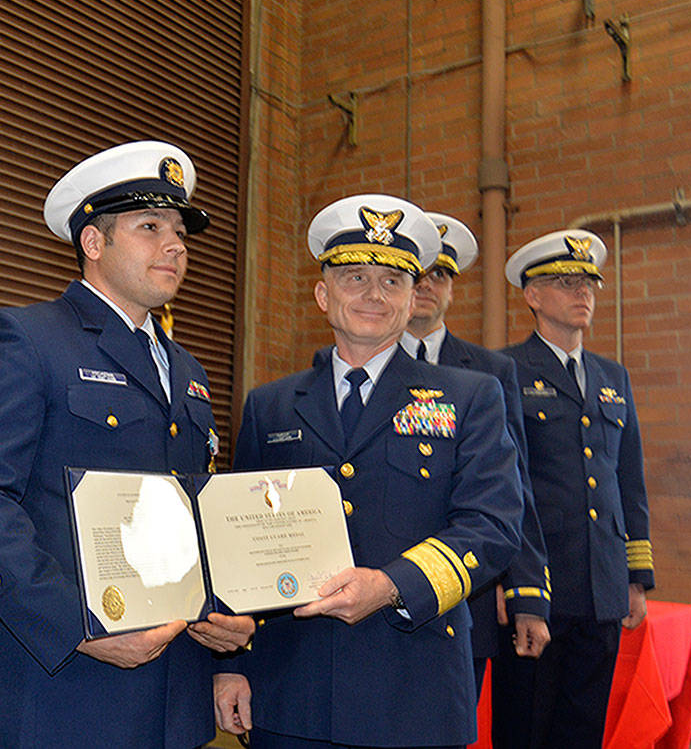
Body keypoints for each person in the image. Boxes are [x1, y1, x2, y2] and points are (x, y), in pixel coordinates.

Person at [0, 141, 255, 749]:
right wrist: (78, 625)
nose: (176, 244)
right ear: (93, 242)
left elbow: (194, 514)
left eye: (181, 230)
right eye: (150, 226)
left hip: (175, 700)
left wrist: (227, 628)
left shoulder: (187, 369)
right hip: (70, 693)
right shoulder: (27, 339)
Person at [214, 194, 523, 749]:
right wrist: (232, 663)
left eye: (393, 280)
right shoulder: (272, 406)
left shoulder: (471, 396)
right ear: (322, 294)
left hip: (413, 691)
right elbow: (237, 545)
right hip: (291, 692)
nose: (374, 294)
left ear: (411, 298)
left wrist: (388, 586)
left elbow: (493, 527)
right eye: (355, 277)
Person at [493, 229, 654, 749]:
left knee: (583, 731)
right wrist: (509, 583)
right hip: (539, 584)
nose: (583, 292)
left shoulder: (614, 377)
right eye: (566, 282)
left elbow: (628, 480)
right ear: (532, 296)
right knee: (526, 727)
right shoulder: (505, 371)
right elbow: (500, 488)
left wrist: (636, 576)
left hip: (601, 584)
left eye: (589, 282)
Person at [401, 213, 551, 692]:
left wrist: (528, 594)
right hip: (379, 586)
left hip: (469, 591)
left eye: (440, 275)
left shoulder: (490, 374)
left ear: (452, 289)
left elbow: (514, 487)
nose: (427, 285)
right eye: (416, 273)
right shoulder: (359, 364)